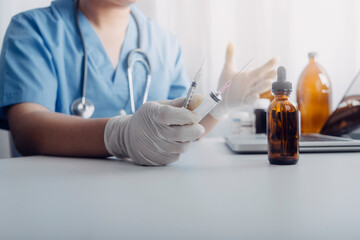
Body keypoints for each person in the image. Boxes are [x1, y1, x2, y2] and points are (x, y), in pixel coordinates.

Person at [0, 0, 277, 166]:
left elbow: (180, 130)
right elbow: (27, 130)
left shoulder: (164, 43)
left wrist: (218, 107)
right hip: (53, 200)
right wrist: (120, 135)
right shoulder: (32, 30)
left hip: (147, 200)